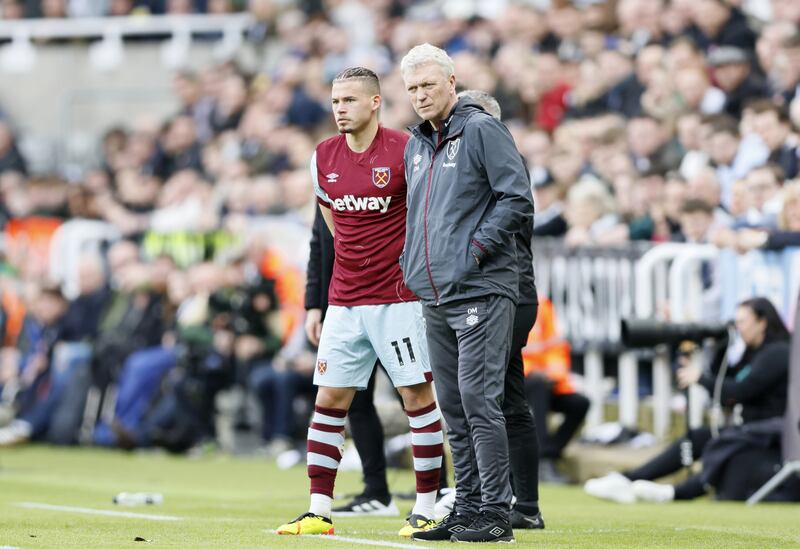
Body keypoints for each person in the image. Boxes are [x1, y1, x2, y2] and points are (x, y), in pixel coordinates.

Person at [276, 67, 443, 538]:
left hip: (398, 299)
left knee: (416, 397)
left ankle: (427, 505)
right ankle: (317, 511)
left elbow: (428, 215)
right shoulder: (322, 156)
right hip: (345, 302)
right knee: (330, 400)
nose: (339, 109)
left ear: (374, 103)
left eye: (349, 100)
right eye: (335, 101)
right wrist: (322, 296)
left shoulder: (406, 149)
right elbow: (331, 228)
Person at [400, 44, 535, 543]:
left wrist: (476, 250)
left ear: (452, 82)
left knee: (480, 401)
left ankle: (497, 514)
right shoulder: (416, 144)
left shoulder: (480, 129)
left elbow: (516, 196)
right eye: (412, 88)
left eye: (428, 85)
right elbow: (418, 215)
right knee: (454, 407)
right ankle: (468, 506)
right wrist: (411, 263)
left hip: (480, 286)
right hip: (434, 292)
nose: (420, 96)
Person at [432, 89, 544, 529]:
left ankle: (489, 502)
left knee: (481, 397)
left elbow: (513, 214)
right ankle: (516, 504)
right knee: (499, 397)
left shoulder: (490, 156)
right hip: (503, 288)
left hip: (502, 289)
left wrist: (471, 253)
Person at [585, 297, 795, 503]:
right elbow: (725, 385)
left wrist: (700, 378)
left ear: (762, 322)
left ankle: (672, 492)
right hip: (748, 430)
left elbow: (740, 391)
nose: (738, 328)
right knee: (698, 437)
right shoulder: (754, 353)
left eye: (742, 322)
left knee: (720, 444)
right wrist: (721, 345)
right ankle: (627, 479)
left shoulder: (778, 352)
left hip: (769, 435)